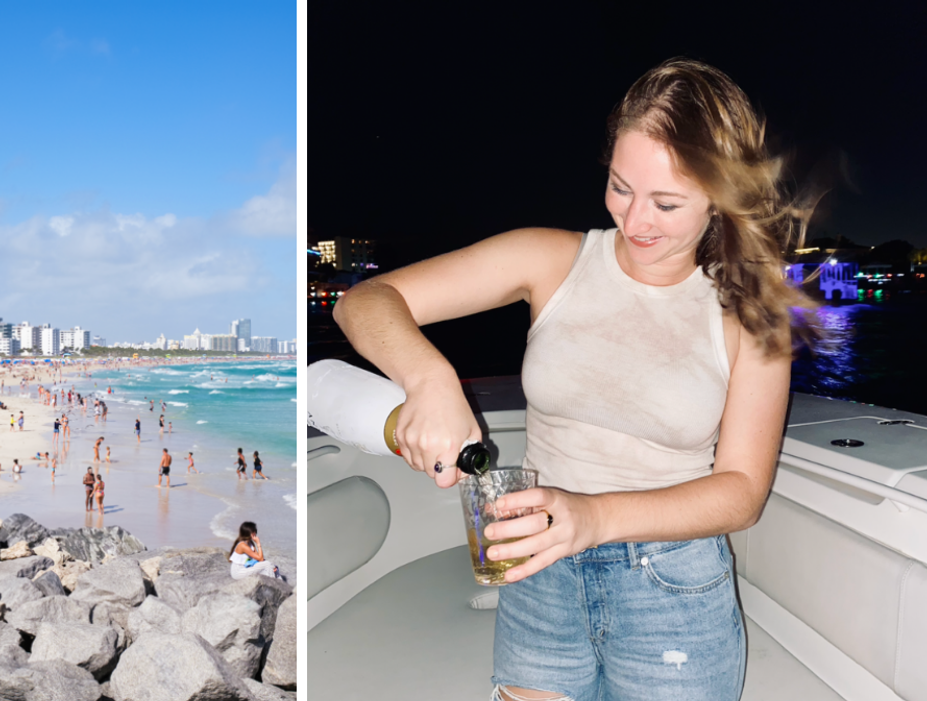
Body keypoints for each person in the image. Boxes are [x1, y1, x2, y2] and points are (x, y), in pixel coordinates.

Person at [332, 58, 817, 701]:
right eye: (620, 187)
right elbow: (364, 301)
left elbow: (741, 493)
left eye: (667, 202)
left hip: (672, 586)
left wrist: (592, 518)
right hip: (539, 574)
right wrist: (430, 378)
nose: (635, 220)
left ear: (721, 196)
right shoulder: (551, 258)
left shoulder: (753, 310)